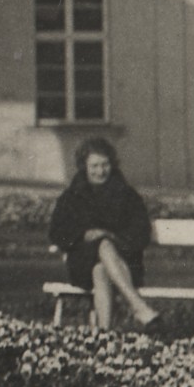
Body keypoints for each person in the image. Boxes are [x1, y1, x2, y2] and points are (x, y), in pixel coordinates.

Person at [49, 137, 161, 330]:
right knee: (102, 247)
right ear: (84, 166)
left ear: (112, 165)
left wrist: (112, 237)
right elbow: (57, 232)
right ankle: (138, 307)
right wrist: (83, 235)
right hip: (82, 263)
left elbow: (141, 232)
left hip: (124, 261)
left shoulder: (127, 195)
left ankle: (104, 334)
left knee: (101, 267)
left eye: (105, 165)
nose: (100, 171)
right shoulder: (72, 196)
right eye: (94, 166)